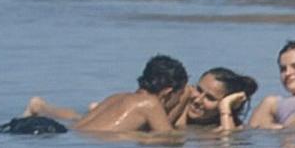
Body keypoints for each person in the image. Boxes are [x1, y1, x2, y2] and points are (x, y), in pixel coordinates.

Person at [10, 54, 188, 134]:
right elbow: (168, 138)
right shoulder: (150, 104)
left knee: (78, 118)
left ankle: (41, 107)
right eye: (179, 96)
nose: (178, 100)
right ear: (168, 92)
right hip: (53, 132)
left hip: (59, 129)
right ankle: (41, 107)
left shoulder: (117, 97)